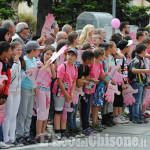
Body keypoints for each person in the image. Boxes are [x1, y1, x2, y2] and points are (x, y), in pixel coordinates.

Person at [16, 41, 44, 144]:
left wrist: (36, 87)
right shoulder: (25, 60)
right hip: (24, 88)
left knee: (29, 113)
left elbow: (35, 76)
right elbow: (21, 74)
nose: (39, 51)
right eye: (38, 50)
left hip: (31, 88)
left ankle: (26, 134)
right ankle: (19, 135)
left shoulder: (34, 60)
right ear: (32, 51)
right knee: (23, 113)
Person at [3, 42, 26, 147]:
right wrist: (16, 63)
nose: (20, 52)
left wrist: (26, 73)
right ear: (11, 50)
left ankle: (12, 138)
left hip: (17, 91)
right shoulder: (8, 61)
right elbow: (10, 75)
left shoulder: (19, 61)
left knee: (14, 116)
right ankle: (5, 138)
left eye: (21, 50)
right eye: (17, 49)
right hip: (9, 91)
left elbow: (18, 76)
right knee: (8, 116)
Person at [52, 48, 78, 140]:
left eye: (72, 55)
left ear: (75, 58)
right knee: (58, 111)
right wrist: (66, 94)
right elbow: (59, 81)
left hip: (68, 92)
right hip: (60, 92)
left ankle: (63, 130)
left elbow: (74, 81)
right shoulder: (62, 66)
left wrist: (71, 92)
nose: (70, 57)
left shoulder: (75, 67)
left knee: (65, 111)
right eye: (69, 54)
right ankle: (57, 131)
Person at [67, 51, 94, 137]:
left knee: (77, 110)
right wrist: (84, 81)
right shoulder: (78, 67)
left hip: (80, 92)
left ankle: (76, 127)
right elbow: (78, 83)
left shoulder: (87, 68)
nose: (93, 61)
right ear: (87, 60)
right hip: (74, 91)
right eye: (92, 60)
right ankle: (71, 128)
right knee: (72, 110)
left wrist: (84, 81)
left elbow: (87, 79)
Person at [35, 46, 56, 140]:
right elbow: (39, 73)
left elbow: (54, 76)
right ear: (43, 54)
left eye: (51, 55)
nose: (49, 56)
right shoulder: (39, 63)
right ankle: (38, 133)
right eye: (47, 54)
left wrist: (51, 66)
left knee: (46, 112)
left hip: (47, 90)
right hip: (40, 89)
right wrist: (47, 65)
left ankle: (43, 132)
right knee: (41, 112)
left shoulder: (51, 65)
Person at [113, 40, 133, 124]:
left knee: (120, 98)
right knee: (117, 98)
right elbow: (118, 71)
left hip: (123, 80)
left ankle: (120, 114)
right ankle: (116, 116)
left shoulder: (123, 56)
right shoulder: (119, 58)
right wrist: (122, 82)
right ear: (125, 48)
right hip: (118, 81)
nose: (130, 48)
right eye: (129, 46)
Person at [131, 44, 150, 124]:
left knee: (140, 101)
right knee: (137, 101)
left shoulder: (141, 59)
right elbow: (133, 70)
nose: (146, 52)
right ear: (142, 51)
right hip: (138, 82)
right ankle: (135, 117)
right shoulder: (137, 59)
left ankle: (139, 115)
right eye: (145, 50)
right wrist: (144, 70)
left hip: (142, 82)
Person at [91, 48, 109, 131]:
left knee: (97, 105)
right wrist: (108, 72)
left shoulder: (100, 64)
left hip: (97, 86)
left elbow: (101, 76)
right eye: (103, 55)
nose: (104, 57)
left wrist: (105, 77)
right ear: (100, 56)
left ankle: (95, 121)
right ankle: (93, 122)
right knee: (93, 105)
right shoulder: (92, 64)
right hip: (92, 87)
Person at [0, 41, 11, 149]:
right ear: (4, 52)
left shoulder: (6, 63)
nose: (10, 52)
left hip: (2, 96)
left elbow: (7, 81)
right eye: (9, 51)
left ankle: (0, 139)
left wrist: (4, 96)